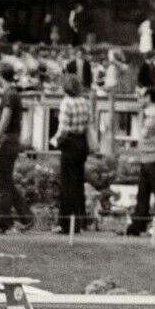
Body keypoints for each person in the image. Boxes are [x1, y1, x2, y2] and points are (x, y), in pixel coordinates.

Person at [0, 61, 34, 232]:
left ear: (0, 77)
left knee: (4, 184)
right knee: (7, 181)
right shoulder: (14, 94)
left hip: (8, 139)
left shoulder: (9, 95)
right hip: (13, 139)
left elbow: (4, 120)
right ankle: (26, 216)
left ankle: (3, 221)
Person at [125, 87, 155, 239]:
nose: (139, 100)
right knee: (142, 194)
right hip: (146, 159)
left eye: (141, 97)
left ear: (149, 97)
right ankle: (138, 224)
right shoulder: (146, 116)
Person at [51, 73, 91, 234]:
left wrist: (54, 141)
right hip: (82, 142)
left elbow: (64, 129)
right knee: (78, 183)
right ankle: (81, 221)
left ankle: (67, 223)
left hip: (70, 143)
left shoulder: (66, 103)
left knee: (67, 185)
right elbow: (89, 123)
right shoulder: (84, 102)